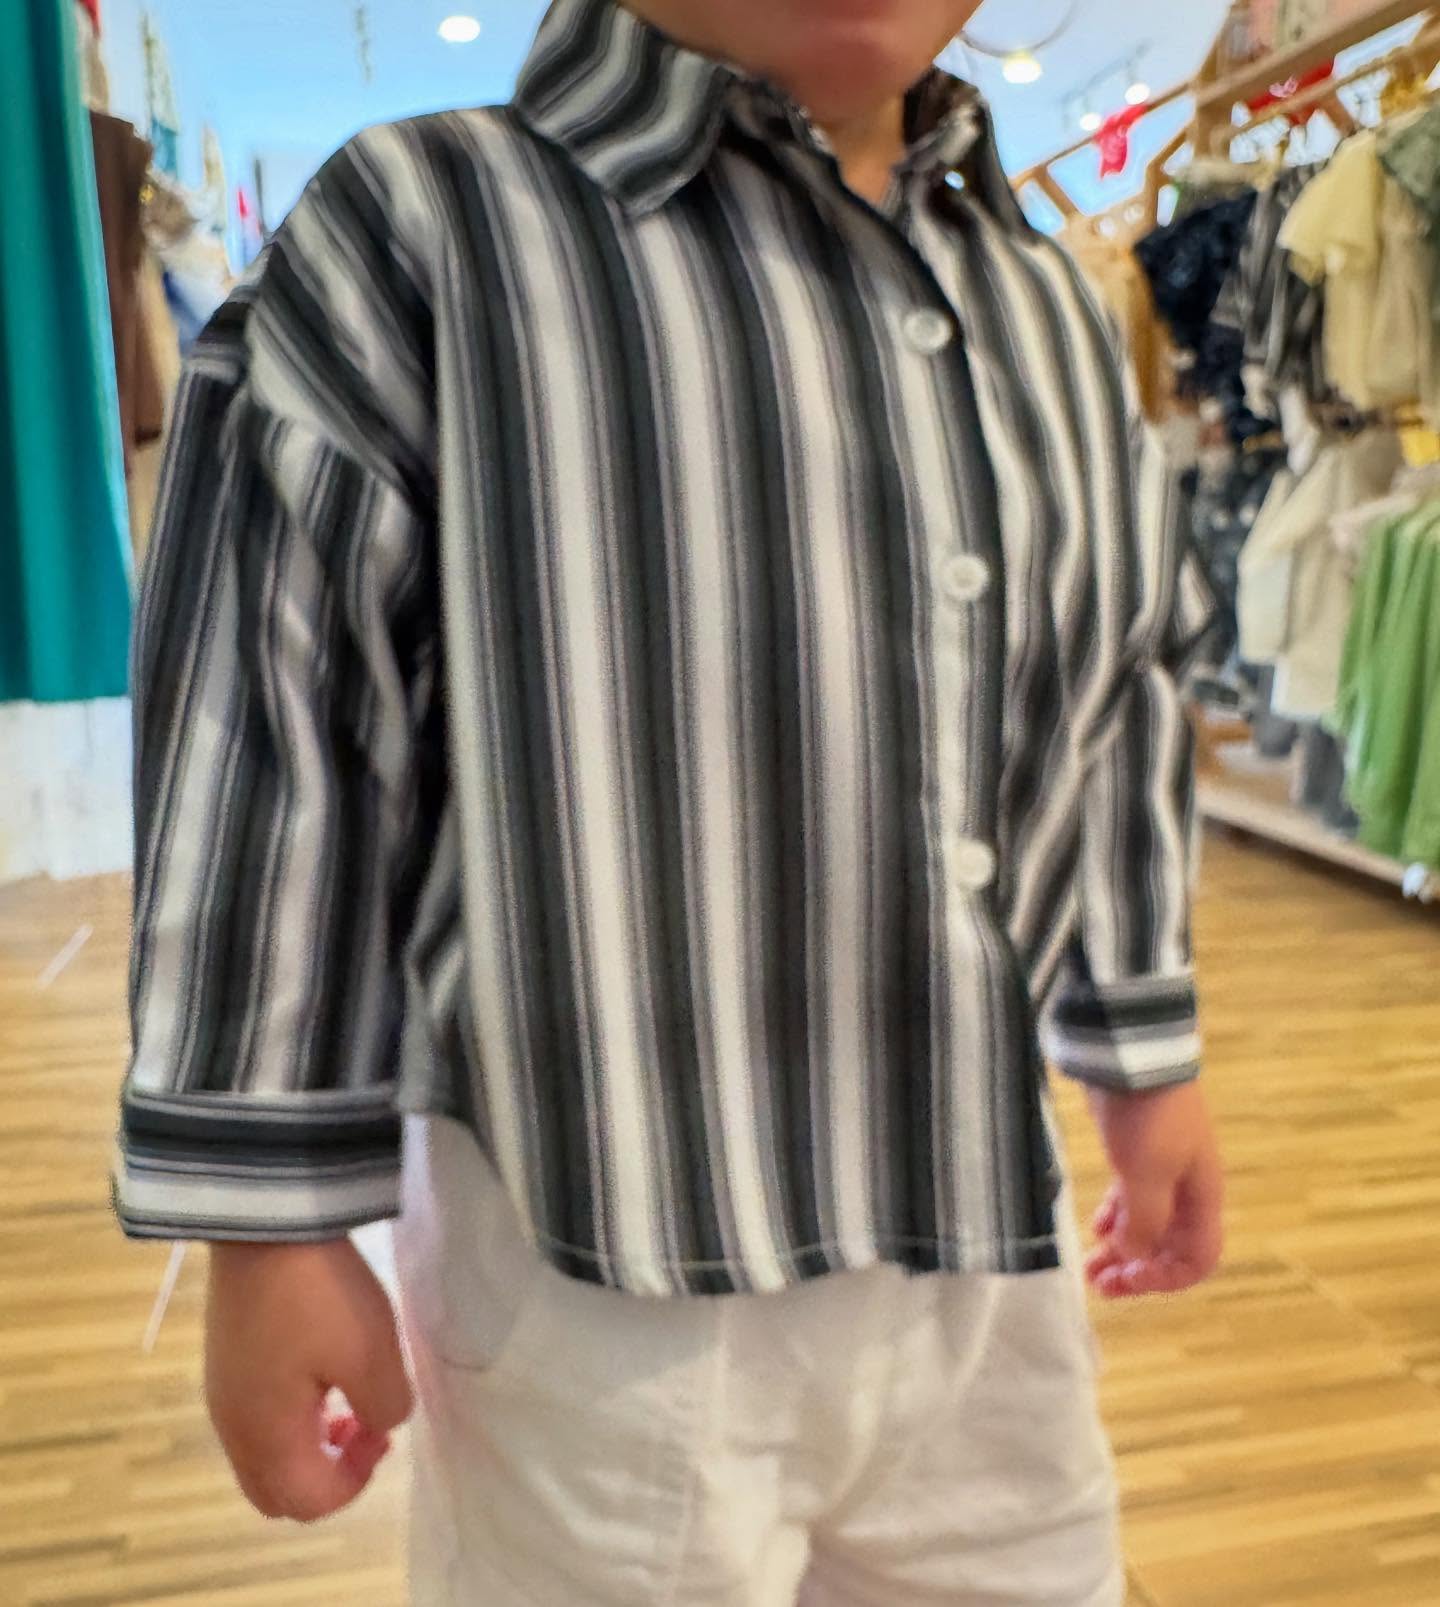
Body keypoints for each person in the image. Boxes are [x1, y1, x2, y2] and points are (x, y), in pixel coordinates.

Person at [117, 0, 1225, 1601]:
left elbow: (1108, 692)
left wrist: (1142, 1044)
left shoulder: (1044, 301)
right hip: (597, 1275)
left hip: (984, 1240)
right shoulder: (429, 229)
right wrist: (271, 1218)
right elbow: (267, 730)